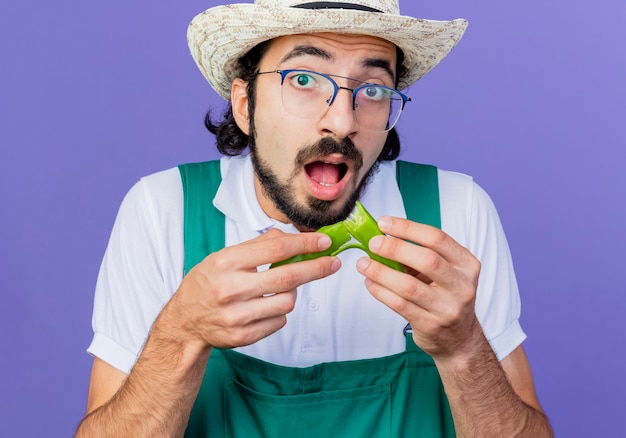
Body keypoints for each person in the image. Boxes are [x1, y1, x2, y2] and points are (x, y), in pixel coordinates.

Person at [76, 0, 554, 436]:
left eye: (372, 89)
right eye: (303, 80)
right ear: (245, 105)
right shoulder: (162, 209)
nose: (343, 121)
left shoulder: (456, 209)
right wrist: (181, 332)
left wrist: (464, 348)